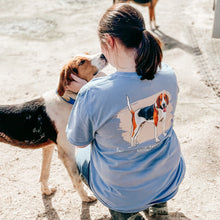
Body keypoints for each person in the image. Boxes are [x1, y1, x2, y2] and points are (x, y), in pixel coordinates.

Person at [66, 3, 185, 220]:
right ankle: (159, 205)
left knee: (82, 153)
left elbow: (79, 141)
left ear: (109, 41)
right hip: (169, 175)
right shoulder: (168, 73)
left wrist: (84, 95)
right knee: (154, 135)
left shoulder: (92, 93)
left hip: (123, 192)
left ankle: (126, 214)